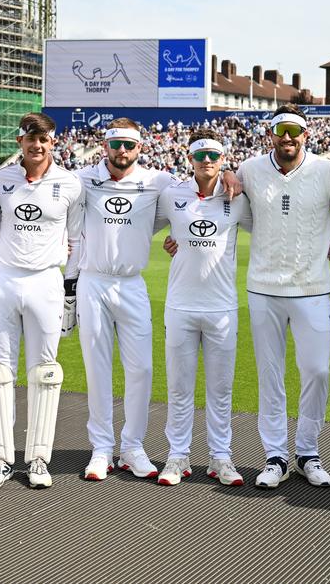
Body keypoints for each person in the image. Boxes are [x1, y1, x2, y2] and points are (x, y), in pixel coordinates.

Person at [67, 119, 238, 482]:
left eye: (129, 145)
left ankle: (132, 446)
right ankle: (101, 448)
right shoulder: (81, 178)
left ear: (140, 148)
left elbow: (186, 207)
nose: (122, 151)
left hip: (132, 282)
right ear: (105, 146)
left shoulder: (157, 182)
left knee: (141, 369)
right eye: (116, 145)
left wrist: (230, 176)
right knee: (97, 370)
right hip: (93, 281)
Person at [237, 104, 330, 489]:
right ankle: (275, 455)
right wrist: (177, 240)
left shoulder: (326, 171)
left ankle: (307, 451)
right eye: (280, 130)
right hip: (264, 288)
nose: (287, 137)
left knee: (317, 371)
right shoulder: (249, 170)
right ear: (271, 134)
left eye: (294, 131)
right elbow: (222, 207)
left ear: (306, 135)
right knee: (270, 375)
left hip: (313, 287)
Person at [0, 113, 83, 490]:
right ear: (20, 142)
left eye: (44, 141)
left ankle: (38, 458)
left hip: (46, 281)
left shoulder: (70, 183)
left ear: (52, 142)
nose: (37, 146)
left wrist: (70, 290)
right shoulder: (1, 179)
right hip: (4, 279)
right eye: (30, 140)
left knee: (45, 370)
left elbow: (77, 240)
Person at [155, 132, 250, 486]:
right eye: (200, 155)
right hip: (180, 306)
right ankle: (177, 456)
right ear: (190, 158)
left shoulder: (237, 198)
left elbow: (272, 231)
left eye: (213, 155)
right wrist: (170, 242)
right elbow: (143, 226)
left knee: (220, 389)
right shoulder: (172, 195)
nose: (207, 160)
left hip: (222, 307)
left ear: (222, 159)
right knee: (179, 388)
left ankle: (220, 457)